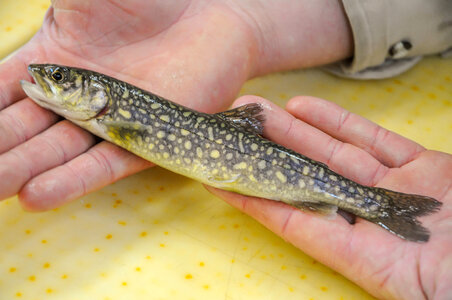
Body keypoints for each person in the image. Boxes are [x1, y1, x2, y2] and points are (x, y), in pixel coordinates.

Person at [0, 1, 450, 299]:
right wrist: (244, 19)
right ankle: (379, 205)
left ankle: (380, 206)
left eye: (60, 81)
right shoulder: (108, 110)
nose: (47, 79)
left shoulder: (111, 115)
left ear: (97, 97)